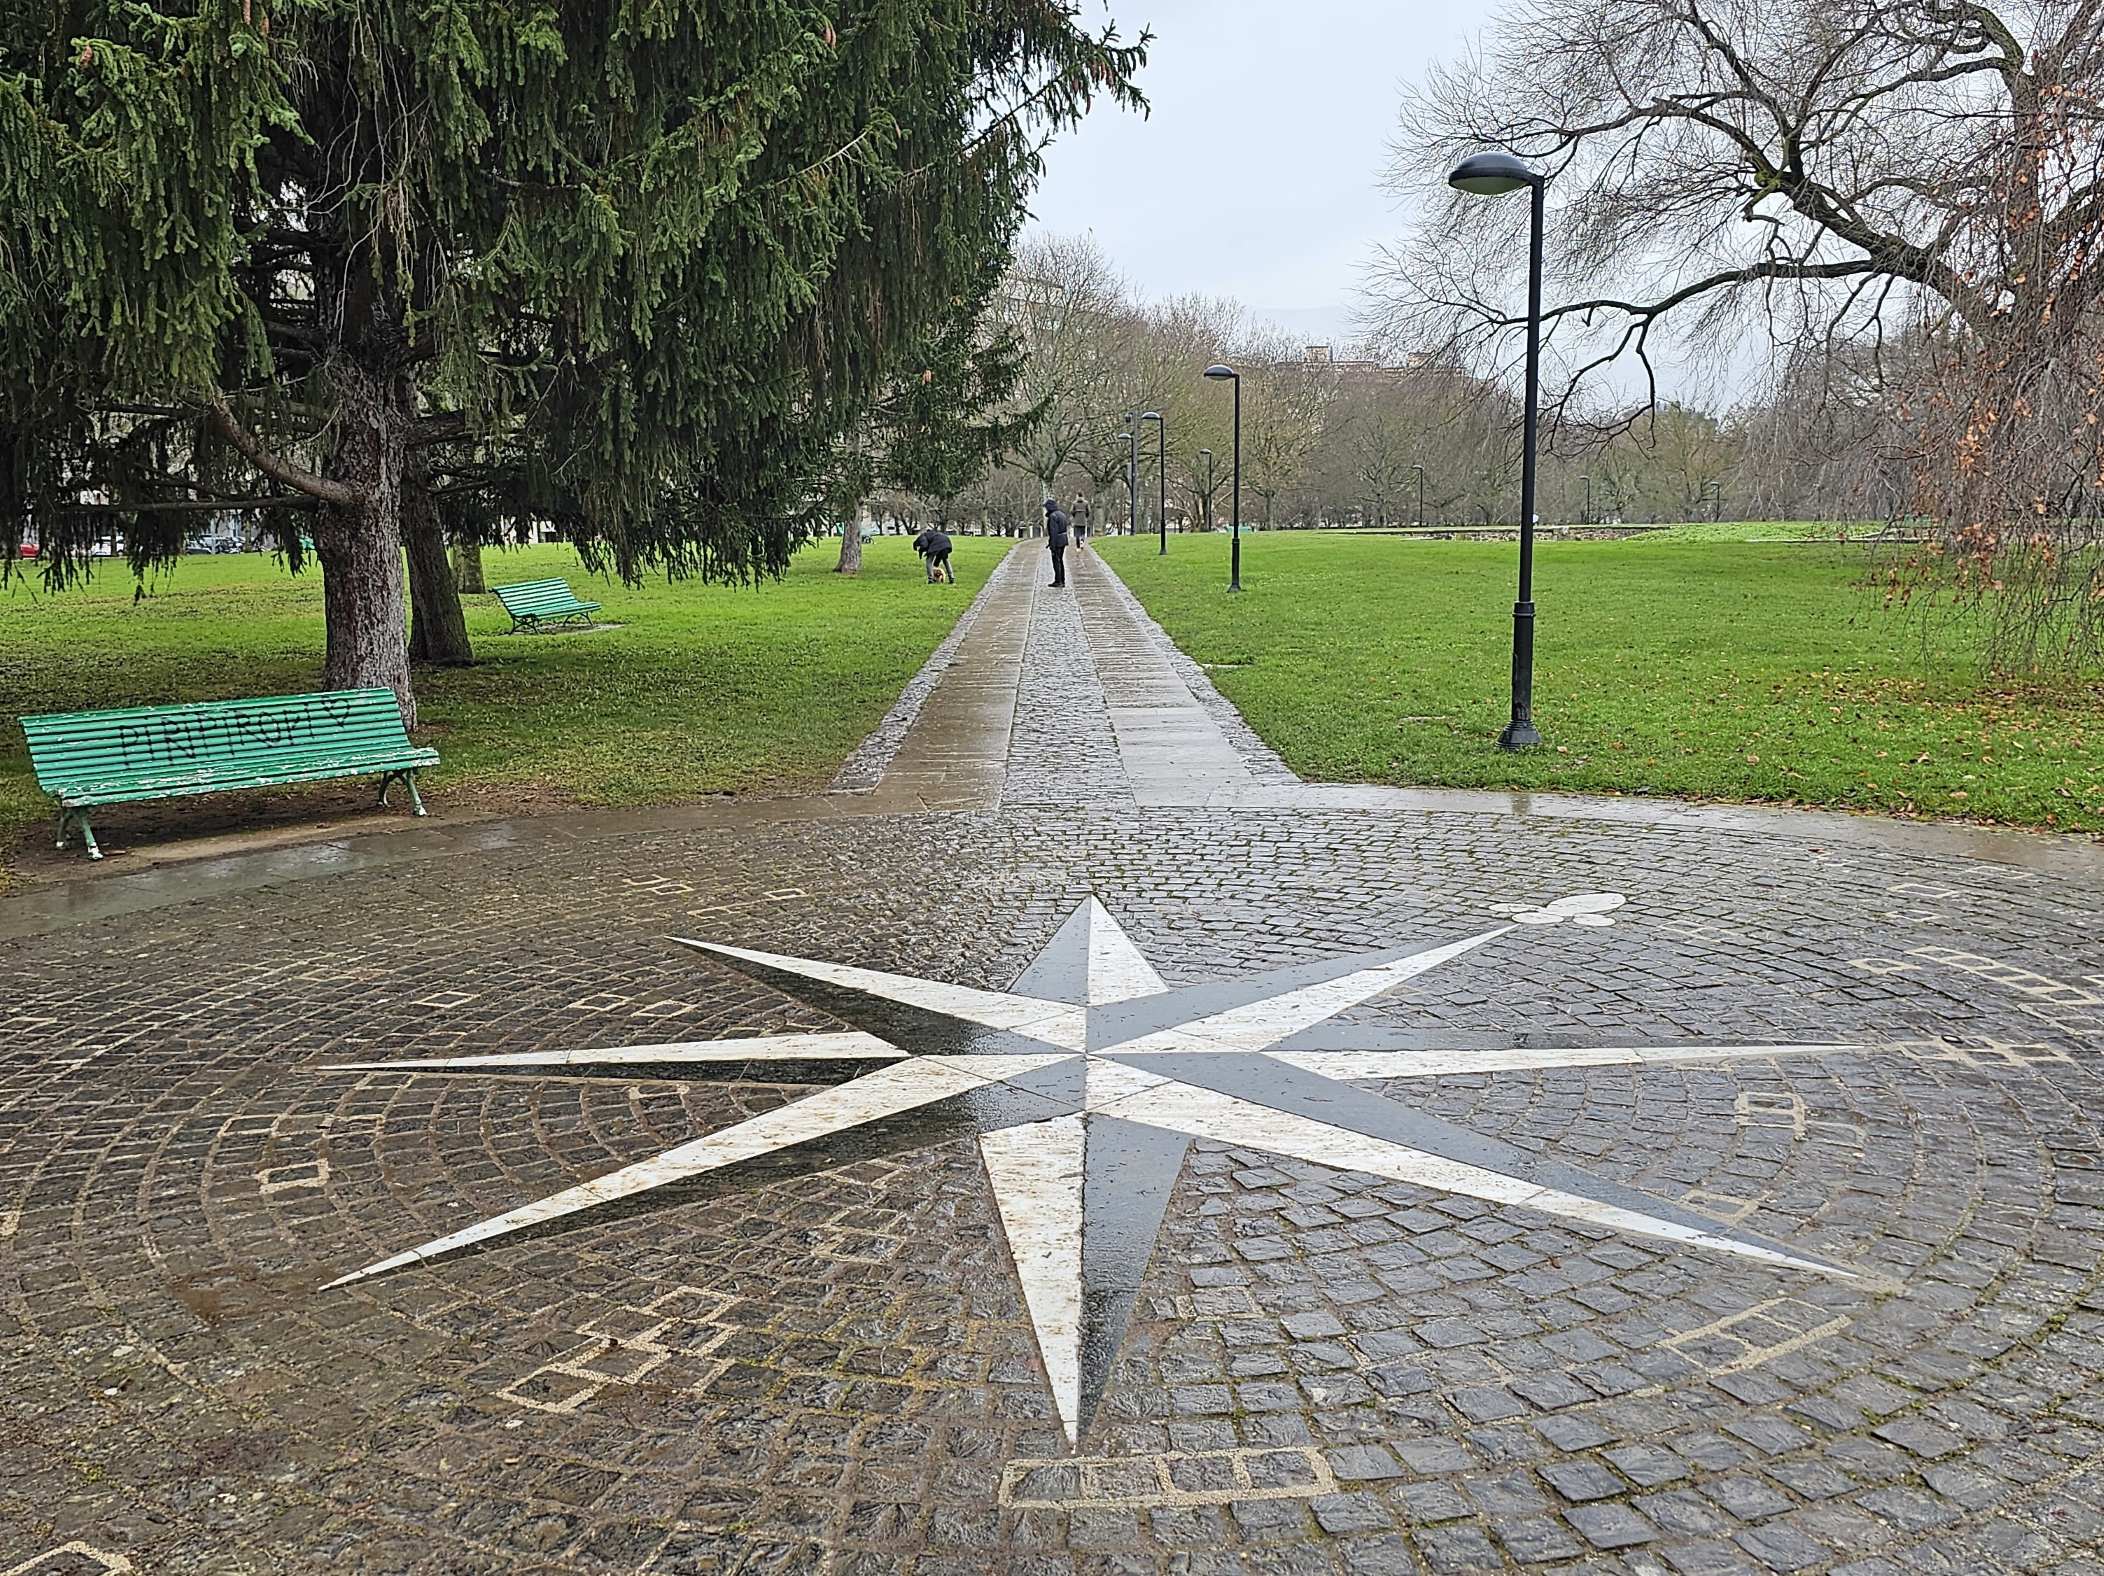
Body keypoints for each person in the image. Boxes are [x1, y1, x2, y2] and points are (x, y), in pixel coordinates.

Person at [1043, 497, 1070, 588]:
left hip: (1057, 541)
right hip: (1063, 539)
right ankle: (1061, 580)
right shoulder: (1061, 514)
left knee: (1056, 561)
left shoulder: (1053, 517)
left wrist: (1052, 545)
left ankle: (1058, 580)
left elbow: (1053, 532)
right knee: (1060, 560)